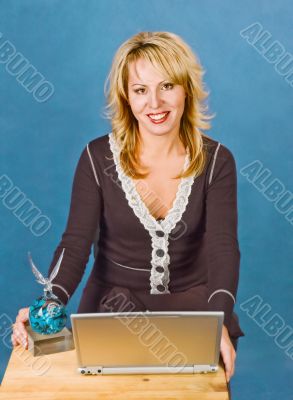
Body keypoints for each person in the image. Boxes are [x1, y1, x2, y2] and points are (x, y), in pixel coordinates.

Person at [11, 31, 244, 382]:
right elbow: (75, 245)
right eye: (140, 90)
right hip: (111, 313)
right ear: (126, 98)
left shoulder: (217, 161)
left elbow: (223, 249)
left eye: (167, 86)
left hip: (195, 315)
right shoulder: (96, 158)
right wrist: (51, 301)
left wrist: (220, 321)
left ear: (187, 90)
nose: (154, 102)